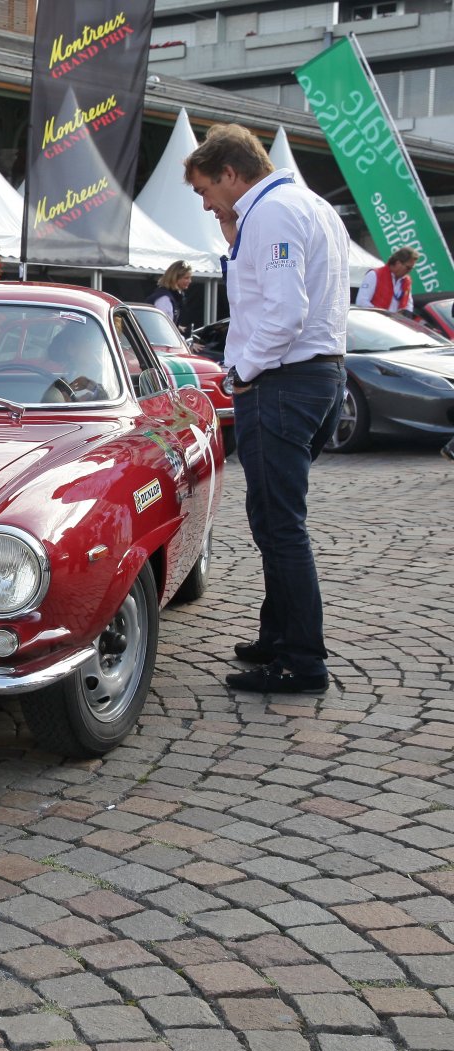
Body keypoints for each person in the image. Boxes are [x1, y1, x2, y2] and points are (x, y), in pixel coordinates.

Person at [184, 123, 348, 695]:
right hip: (318, 377)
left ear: (230, 173)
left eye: (206, 189)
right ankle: (278, 637)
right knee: (276, 519)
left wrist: (241, 372)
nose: (206, 204)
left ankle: (302, 660)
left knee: (280, 526)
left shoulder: (272, 213)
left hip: (283, 384)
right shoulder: (309, 205)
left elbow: (284, 312)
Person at [355, 247, 418, 312]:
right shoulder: (374, 275)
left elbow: (408, 305)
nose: (409, 271)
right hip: (375, 317)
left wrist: (407, 313)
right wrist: (380, 314)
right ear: (398, 263)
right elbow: (361, 302)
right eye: (408, 268)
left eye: (411, 269)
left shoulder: (406, 281)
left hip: (395, 318)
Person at [146, 260, 193, 331]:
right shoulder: (164, 299)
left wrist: (179, 328)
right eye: (186, 278)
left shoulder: (172, 297)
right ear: (175, 278)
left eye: (190, 278)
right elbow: (161, 328)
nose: (190, 281)